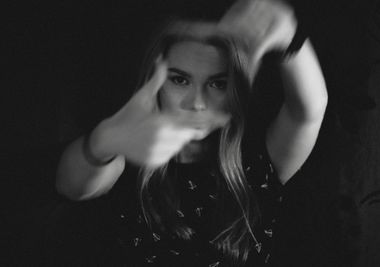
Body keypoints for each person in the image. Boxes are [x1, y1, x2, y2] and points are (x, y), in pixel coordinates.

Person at [55, 0, 328, 266]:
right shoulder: (128, 157)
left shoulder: (258, 162)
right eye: (180, 80)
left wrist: (289, 37)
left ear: (234, 89)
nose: (197, 103)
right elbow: (70, 187)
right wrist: (104, 139)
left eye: (217, 83)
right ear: (156, 81)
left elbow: (308, 110)